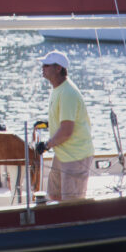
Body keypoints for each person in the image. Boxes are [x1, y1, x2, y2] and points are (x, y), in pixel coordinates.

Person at [35, 50, 94, 201]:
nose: (43, 68)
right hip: (62, 155)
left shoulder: (68, 93)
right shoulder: (58, 89)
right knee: (54, 196)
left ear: (58, 68)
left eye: (46, 65)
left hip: (75, 157)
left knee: (71, 204)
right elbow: (65, 119)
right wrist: (48, 123)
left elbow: (67, 130)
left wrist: (46, 145)